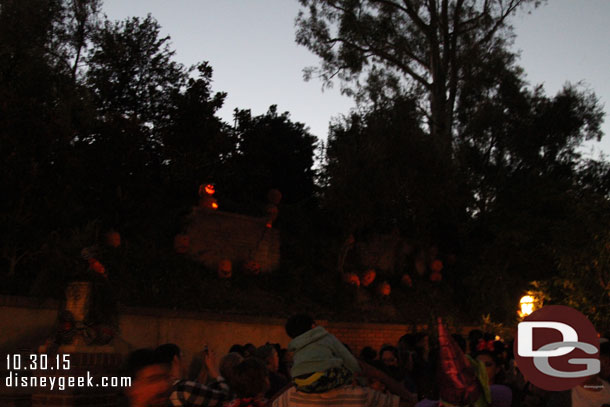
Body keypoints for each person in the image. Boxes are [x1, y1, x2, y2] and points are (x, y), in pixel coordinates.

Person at [285, 314, 361, 393]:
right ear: (313, 326)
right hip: (324, 378)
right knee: (351, 373)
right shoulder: (326, 337)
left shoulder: (295, 346)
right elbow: (348, 359)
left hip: (300, 383)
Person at [156, 343, 230, 407]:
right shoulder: (184, 388)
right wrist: (214, 371)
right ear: (176, 359)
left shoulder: (161, 389)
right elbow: (226, 398)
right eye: (183, 356)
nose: (186, 361)